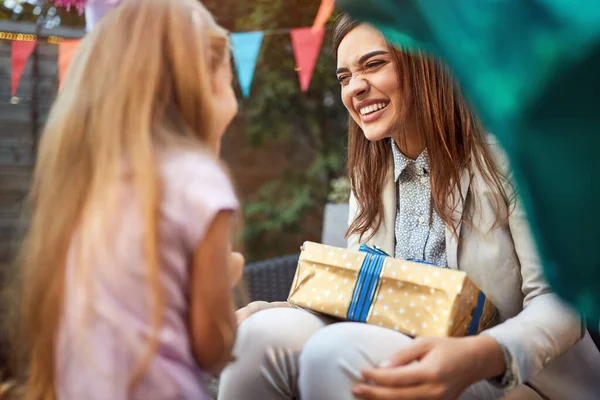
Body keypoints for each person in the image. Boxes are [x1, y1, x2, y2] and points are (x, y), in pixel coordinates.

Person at [219, 15, 600, 400]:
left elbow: (561, 303)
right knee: (259, 334)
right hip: (398, 349)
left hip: (514, 375)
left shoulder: (506, 157)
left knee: (336, 351)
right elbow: (365, 303)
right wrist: (281, 308)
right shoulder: (368, 177)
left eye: (373, 64)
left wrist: (482, 354)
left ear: (424, 64)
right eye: (344, 77)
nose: (356, 88)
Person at [12, 0, 242, 399]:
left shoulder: (88, 187)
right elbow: (212, 350)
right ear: (207, 81)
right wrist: (228, 280)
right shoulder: (199, 184)